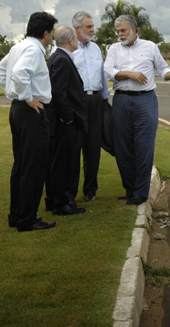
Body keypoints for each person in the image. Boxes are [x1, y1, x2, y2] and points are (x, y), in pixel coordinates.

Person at [104, 15, 170, 205]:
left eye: (123, 30)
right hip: (121, 101)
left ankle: (141, 192)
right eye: (118, 31)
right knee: (123, 147)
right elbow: (107, 72)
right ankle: (130, 189)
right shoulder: (113, 49)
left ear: (134, 30)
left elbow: (162, 69)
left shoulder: (150, 47)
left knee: (144, 147)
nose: (120, 34)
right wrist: (129, 74)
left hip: (145, 101)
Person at [0, 12, 58, 232]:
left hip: (19, 111)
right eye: (51, 33)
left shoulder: (18, 47)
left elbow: (0, 72)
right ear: (45, 33)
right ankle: (27, 218)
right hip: (32, 112)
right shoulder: (33, 50)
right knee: (33, 166)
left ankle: (17, 214)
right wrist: (28, 98)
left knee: (21, 164)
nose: (52, 38)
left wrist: (15, 95)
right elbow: (20, 73)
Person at [46, 25, 88, 216]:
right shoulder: (62, 59)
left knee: (62, 162)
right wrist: (69, 118)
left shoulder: (59, 57)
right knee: (63, 163)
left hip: (64, 122)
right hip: (65, 124)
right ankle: (61, 202)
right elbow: (59, 93)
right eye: (76, 38)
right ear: (70, 40)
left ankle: (59, 200)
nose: (78, 41)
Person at [70, 11, 111, 202]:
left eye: (92, 26)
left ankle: (90, 191)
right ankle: (69, 192)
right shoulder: (67, 49)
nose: (93, 30)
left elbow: (101, 75)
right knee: (73, 147)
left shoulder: (96, 49)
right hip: (76, 103)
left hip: (95, 101)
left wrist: (105, 99)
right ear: (78, 29)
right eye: (89, 27)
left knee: (93, 148)